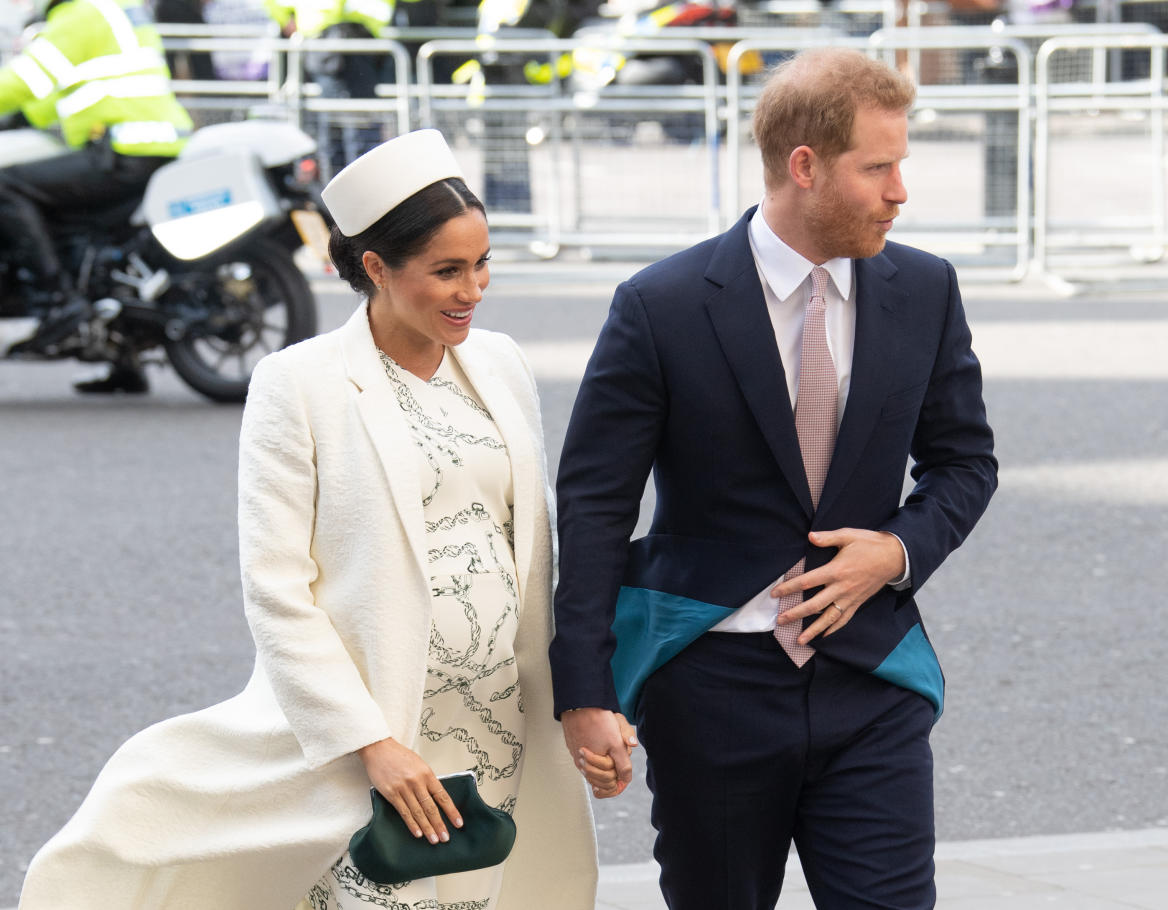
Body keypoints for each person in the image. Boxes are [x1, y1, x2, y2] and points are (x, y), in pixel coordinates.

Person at [18, 129, 603, 910]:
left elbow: (531, 551)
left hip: (498, 719)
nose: (474, 289)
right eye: (448, 271)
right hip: (382, 737)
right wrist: (371, 745)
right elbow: (276, 588)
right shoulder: (298, 384)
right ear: (375, 268)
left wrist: (583, 697)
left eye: (483, 262)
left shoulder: (500, 363)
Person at [550, 48, 999, 909]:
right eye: (879, 167)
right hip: (711, 689)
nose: (901, 190)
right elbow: (595, 503)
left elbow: (965, 462)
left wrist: (895, 553)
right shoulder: (662, 305)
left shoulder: (928, 289)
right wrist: (585, 687)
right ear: (805, 167)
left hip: (872, 680)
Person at [0, 0, 194, 394]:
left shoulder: (79, 15)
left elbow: (23, 82)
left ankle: (59, 304)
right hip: (151, 145)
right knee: (91, 239)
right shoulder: (117, 10)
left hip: (123, 148)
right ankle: (125, 362)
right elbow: (46, 102)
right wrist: (21, 116)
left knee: (7, 185)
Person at [265, 0, 395, 176]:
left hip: (356, 38)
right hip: (326, 41)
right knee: (341, 124)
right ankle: (344, 185)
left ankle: (353, 184)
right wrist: (285, 21)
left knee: (353, 122)